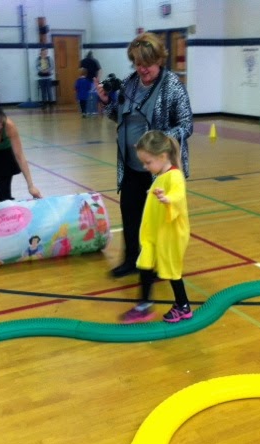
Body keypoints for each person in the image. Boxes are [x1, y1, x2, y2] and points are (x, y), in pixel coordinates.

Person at [96, 32, 193, 278]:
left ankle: (159, 265)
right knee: (130, 215)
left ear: (159, 59)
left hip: (160, 171)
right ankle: (132, 261)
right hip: (131, 165)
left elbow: (186, 125)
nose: (142, 69)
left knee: (157, 220)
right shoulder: (129, 83)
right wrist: (106, 102)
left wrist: (158, 141)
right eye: (137, 63)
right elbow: (119, 117)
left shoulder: (172, 86)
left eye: (147, 63)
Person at [121, 130, 192, 323]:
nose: (145, 167)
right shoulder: (161, 175)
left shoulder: (174, 175)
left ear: (162, 156)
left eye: (148, 162)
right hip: (155, 232)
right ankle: (144, 305)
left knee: (171, 270)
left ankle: (183, 305)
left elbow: (178, 194)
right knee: (145, 263)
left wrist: (167, 199)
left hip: (171, 234)